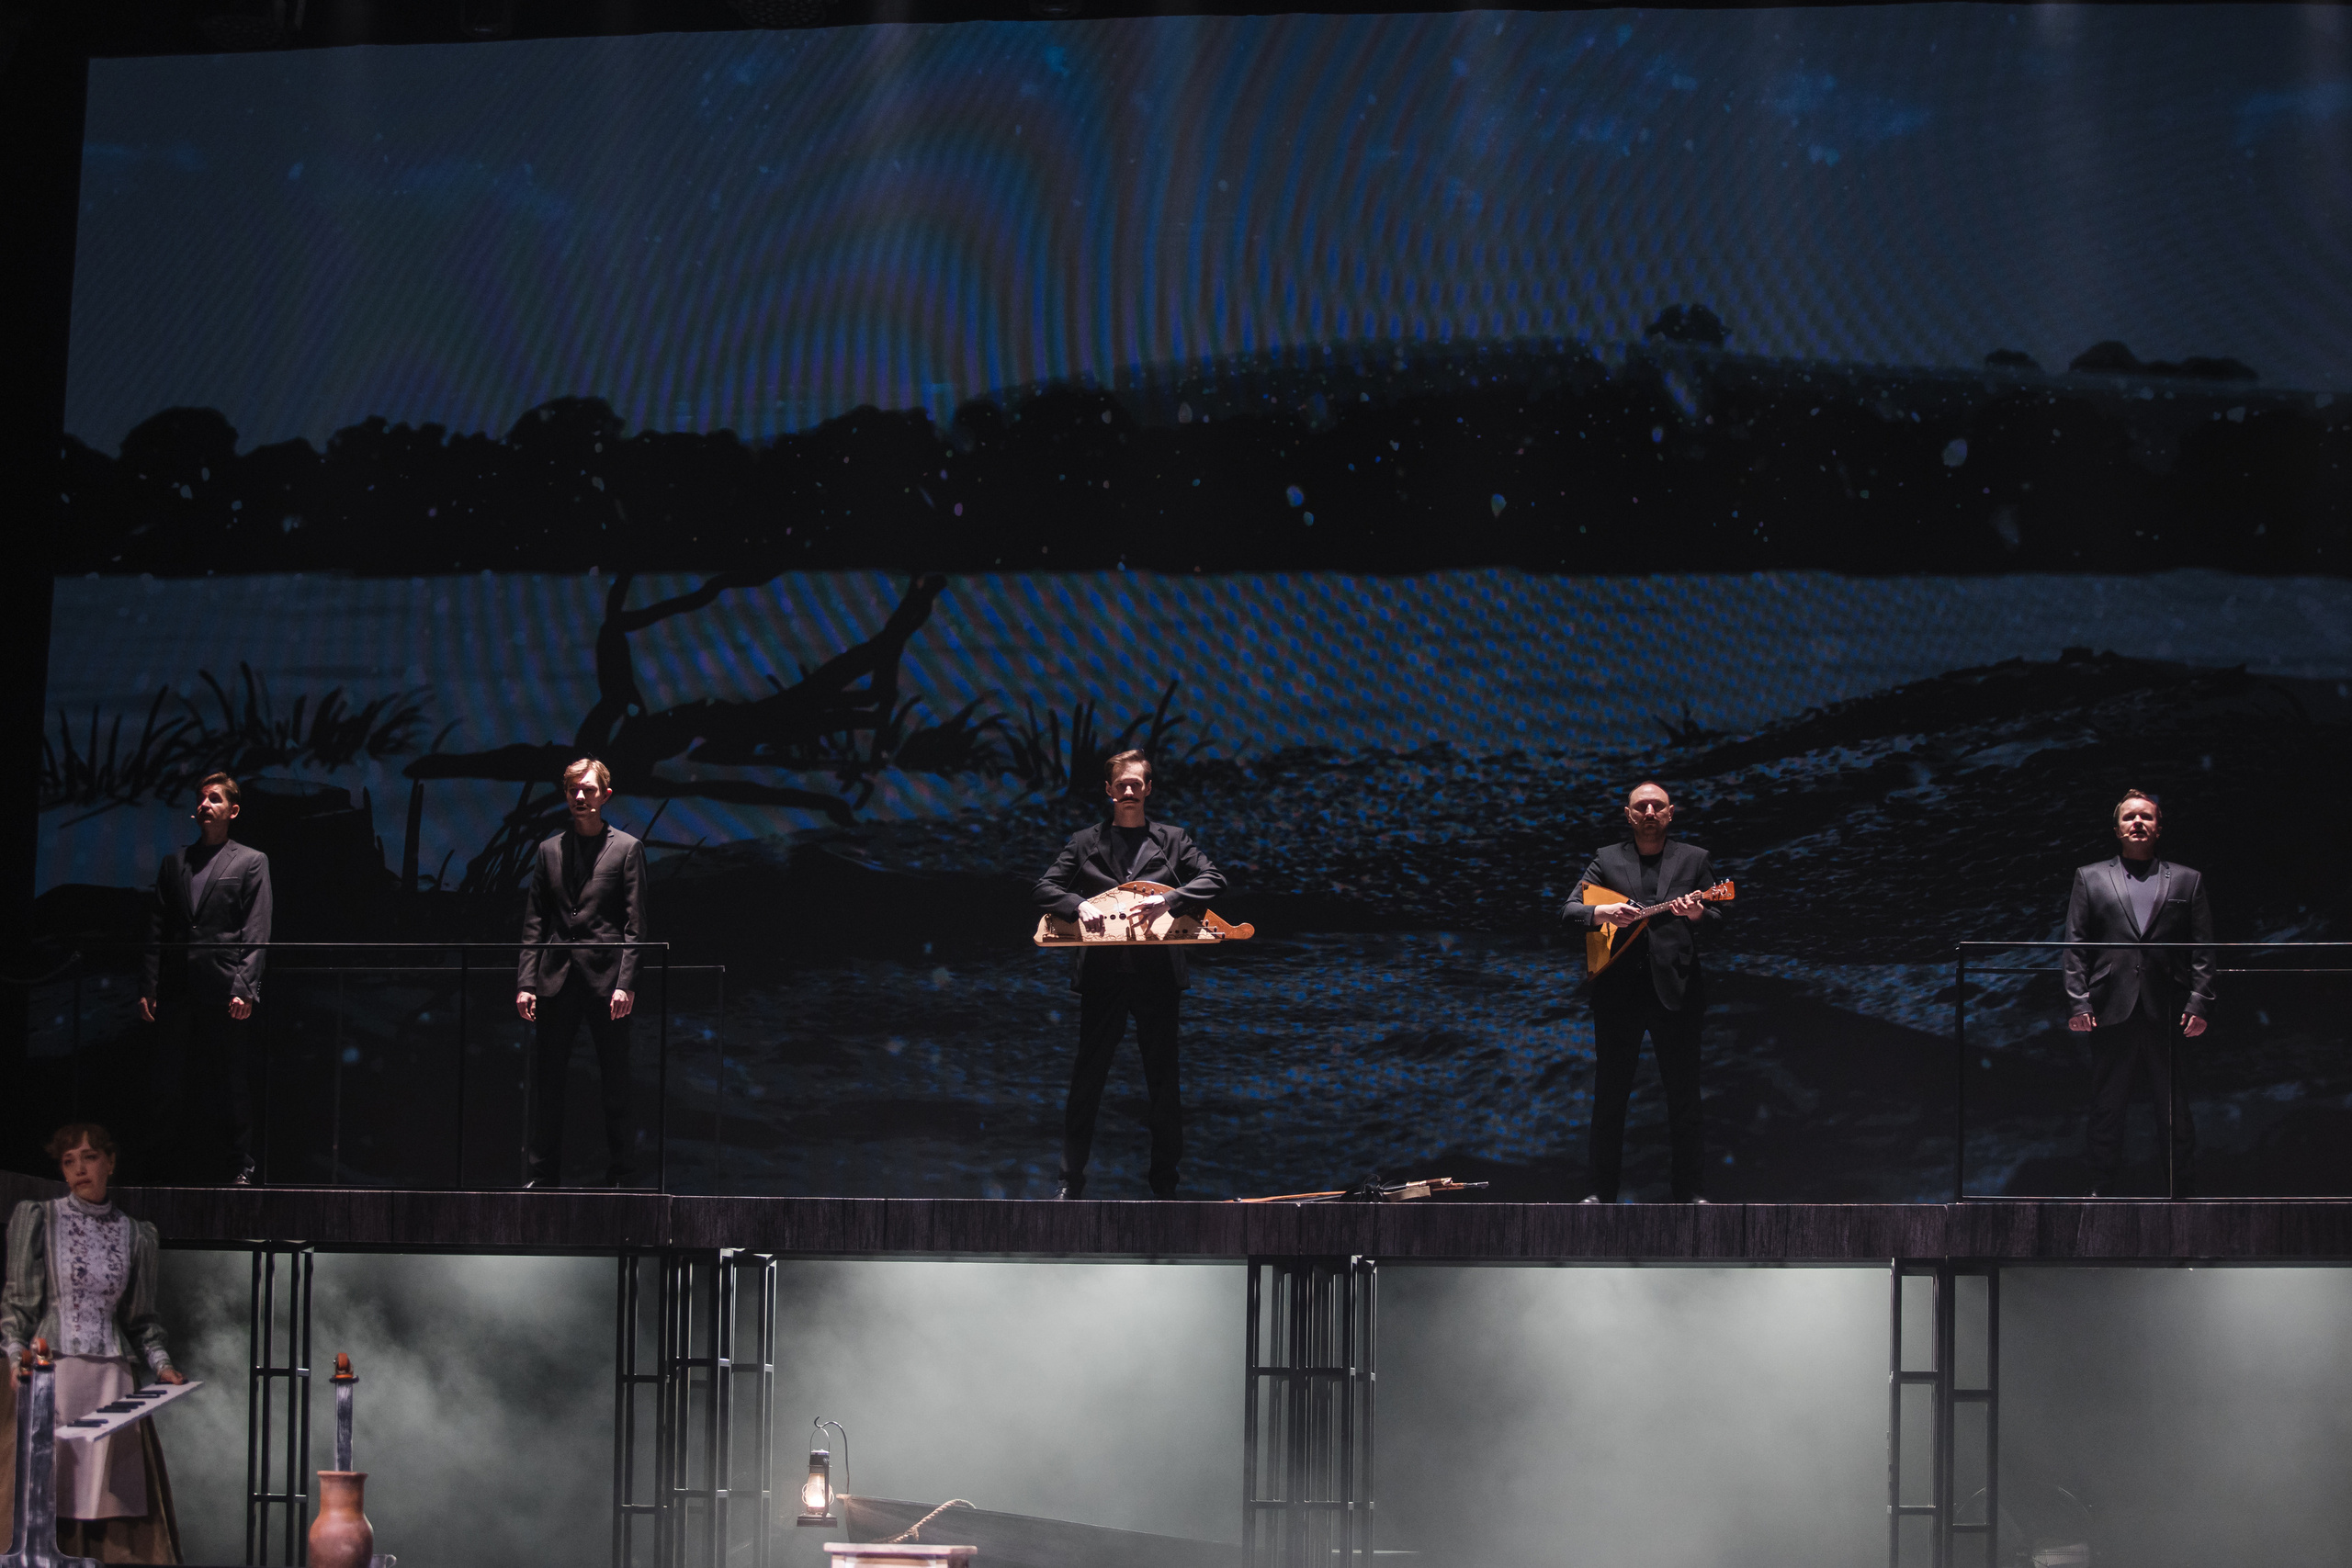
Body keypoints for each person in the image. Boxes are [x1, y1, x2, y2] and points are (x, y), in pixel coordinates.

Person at [1034, 750, 1226, 1200]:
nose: (1128, 791)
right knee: (1087, 1081)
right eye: (1120, 784)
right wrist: (1077, 904)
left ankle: (1165, 1186)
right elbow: (1044, 887)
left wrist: (1170, 899)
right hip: (1103, 978)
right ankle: (1069, 1183)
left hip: (1157, 978)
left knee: (1163, 1083)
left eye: (1136, 784)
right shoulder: (1085, 841)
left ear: (1148, 788)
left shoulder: (1172, 840)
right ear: (1108, 790)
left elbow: (1213, 879)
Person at [1, 1122, 187, 1563]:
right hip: (52, 1373)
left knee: (108, 1491)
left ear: (110, 1162)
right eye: (69, 1161)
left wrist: (162, 1365)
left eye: (89, 1157)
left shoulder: (135, 1234)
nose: (79, 1169)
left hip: (110, 1378)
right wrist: (13, 1357)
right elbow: (18, 1304)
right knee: (45, 1487)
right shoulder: (41, 1218)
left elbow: (141, 1319)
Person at [1559, 782, 1723, 1203]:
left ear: (1671, 812)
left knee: (1684, 1099)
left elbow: (1720, 914)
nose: (1650, 812)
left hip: (1677, 993)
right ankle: (1600, 1193)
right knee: (1610, 1098)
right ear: (1628, 814)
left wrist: (1698, 912)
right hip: (1618, 995)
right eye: (1641, 806)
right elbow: (1570, 910)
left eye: (1657, 806)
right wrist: (1603, 911)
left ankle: (1690, 1193)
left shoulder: (1694, 859)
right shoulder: (1606, 859)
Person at [2064, 788, 2215, 1197]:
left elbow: (2203, 949)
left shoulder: (2187, 879)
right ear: (2117, 828)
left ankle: (2181, 1191)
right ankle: (2101, 1189)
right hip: (2110, 1007)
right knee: (2107, 1106)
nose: (2137, 823)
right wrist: (2078, 1001)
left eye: (2146, 817)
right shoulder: (2090, 877)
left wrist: (2200, 1001)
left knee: (2174, 1109)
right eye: (2129, 817)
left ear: (2158, 828)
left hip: (2169, 1008)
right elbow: (2076, 945)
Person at [516, 757, 650, 1188]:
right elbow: (535, 920)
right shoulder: (549, 850)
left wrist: (626, 983)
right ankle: (543, 1175)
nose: (579, 797)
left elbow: (635, 925)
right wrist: (526, 982)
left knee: (615, 1082)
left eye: (588, 789)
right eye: (573, 789)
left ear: (605, 795)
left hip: (606, 981)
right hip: (556, 979)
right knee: (548, 1082)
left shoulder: (627, 848)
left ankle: (623, 1174)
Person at [139, 772, 272, 1186]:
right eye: (201, 798)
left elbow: (256, 928)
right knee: (167, 1081)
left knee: (231, 1081)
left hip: (224, 988)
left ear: (233, 810)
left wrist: (245, 987)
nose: (205, 804)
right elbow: (157, 928)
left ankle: (239, 1165)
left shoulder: (251, 861)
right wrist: (149, 985)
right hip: (177, 988)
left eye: (214, 798)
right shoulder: (174, 862)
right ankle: (160, 1165)